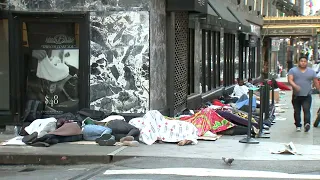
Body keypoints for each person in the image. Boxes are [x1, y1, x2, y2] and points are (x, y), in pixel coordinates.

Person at [288, 56, 320, 132]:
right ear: (299, 62)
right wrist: (295, 86)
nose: (303, 63)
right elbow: (290, 80)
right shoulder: (293, 70)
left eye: (305, 61)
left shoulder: (311, 72)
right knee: (297, 111)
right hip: (296, 95)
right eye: (301, 61)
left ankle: (307, 124)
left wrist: (319, 90)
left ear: (307, 62)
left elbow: (315, 82)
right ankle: (298, 125)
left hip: (307, 95)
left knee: (307, 110)